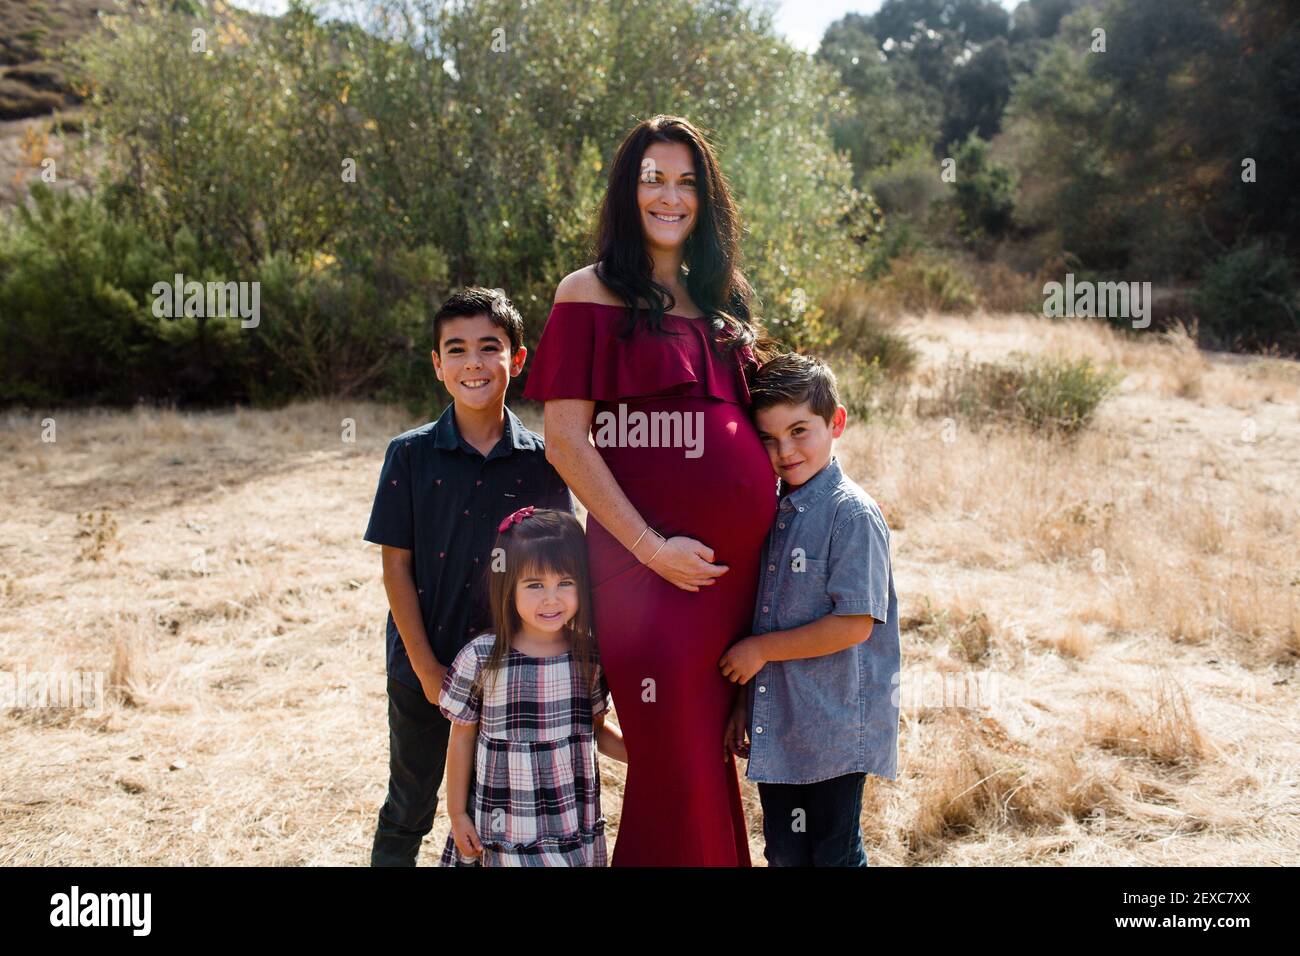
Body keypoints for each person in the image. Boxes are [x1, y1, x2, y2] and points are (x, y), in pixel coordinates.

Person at [523, 115, 780, 865]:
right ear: (626, 193)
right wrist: (651, 548)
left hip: (736, 586)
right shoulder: (588, 293)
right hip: (647, 577)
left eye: (687, 182)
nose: (671, 197)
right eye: (653, 180)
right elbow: (567, 442)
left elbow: (762, 424)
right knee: (676, 768)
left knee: (710, 770)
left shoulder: (724, 296)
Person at [364, 288, 573, 867]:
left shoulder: (543, 459)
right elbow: (396, 566)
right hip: (421, 668)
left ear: (519, 359)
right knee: (410, 805)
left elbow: (561, 571)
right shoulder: (409, 455)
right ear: (436, 364)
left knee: (496, 812)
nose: (473, 363)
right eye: (455, 350)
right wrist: (428, 670)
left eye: (490, 347)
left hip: (511, 675)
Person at [720, 351, 901, 867]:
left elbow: (855, 623)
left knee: (833, 856)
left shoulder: (851, 513)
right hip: (779, 724)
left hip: (834, 729)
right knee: (784, 853)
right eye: (769, 438)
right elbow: (763, 610)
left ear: (835, 422)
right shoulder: (770, 508)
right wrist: (743, 704)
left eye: (800, 430)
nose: (786, 450)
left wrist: (758, 651)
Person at [439, 507, 628, 866]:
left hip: (569, 824)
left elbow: (597, 732)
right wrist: (456, 813)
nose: (551, 599)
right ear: (507, 584)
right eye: (535, 585)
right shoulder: (481, 658)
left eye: (565, 583)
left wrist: (654, 759)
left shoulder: (587, 657)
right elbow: (461, 738)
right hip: (505, 828)